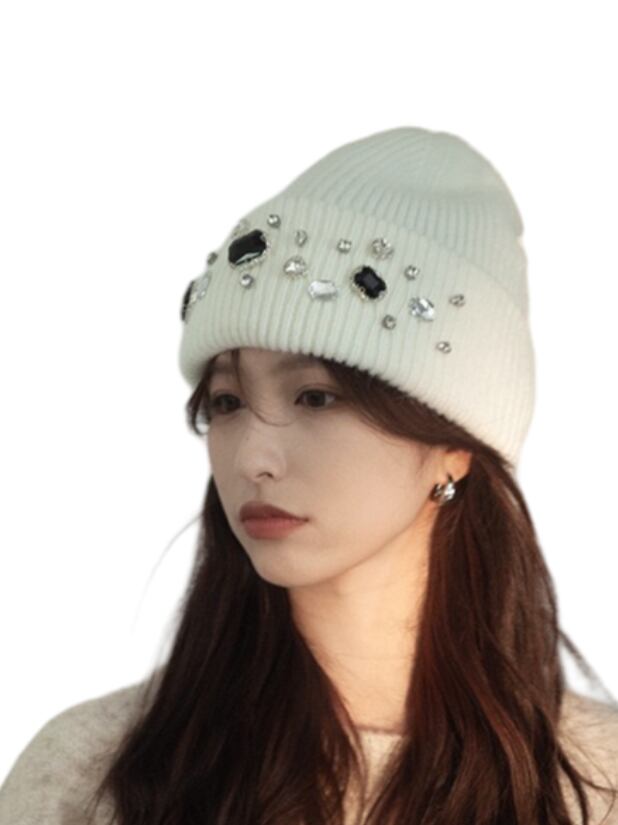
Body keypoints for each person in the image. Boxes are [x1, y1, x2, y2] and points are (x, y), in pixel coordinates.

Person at [1, 125, 617, 825]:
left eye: (316, 397)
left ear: (455, 444)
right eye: (227, 402)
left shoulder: (594, 787)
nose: (250, 458)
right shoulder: (90, 774)